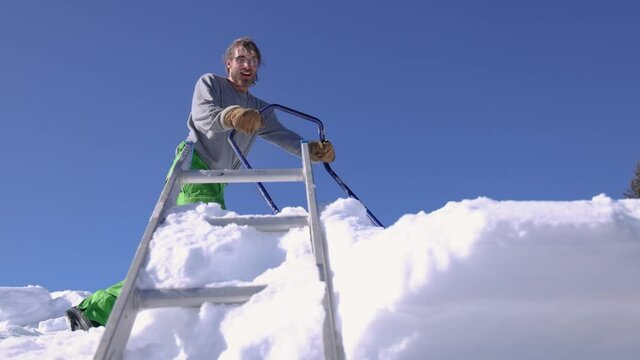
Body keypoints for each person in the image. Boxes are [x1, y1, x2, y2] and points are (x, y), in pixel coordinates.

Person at [65, 37, 336, 331]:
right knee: (195, 252)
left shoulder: (260, 109)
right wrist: (231, 115)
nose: (247, 65)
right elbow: (203, 115)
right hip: (196, 167)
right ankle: (94, 311)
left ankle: (102, 310)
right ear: (228, 62)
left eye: (253, 61)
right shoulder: (210, 83)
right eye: (241, 59)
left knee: (195, 254)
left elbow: (282, 135)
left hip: (218, 180)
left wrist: (311, 151)